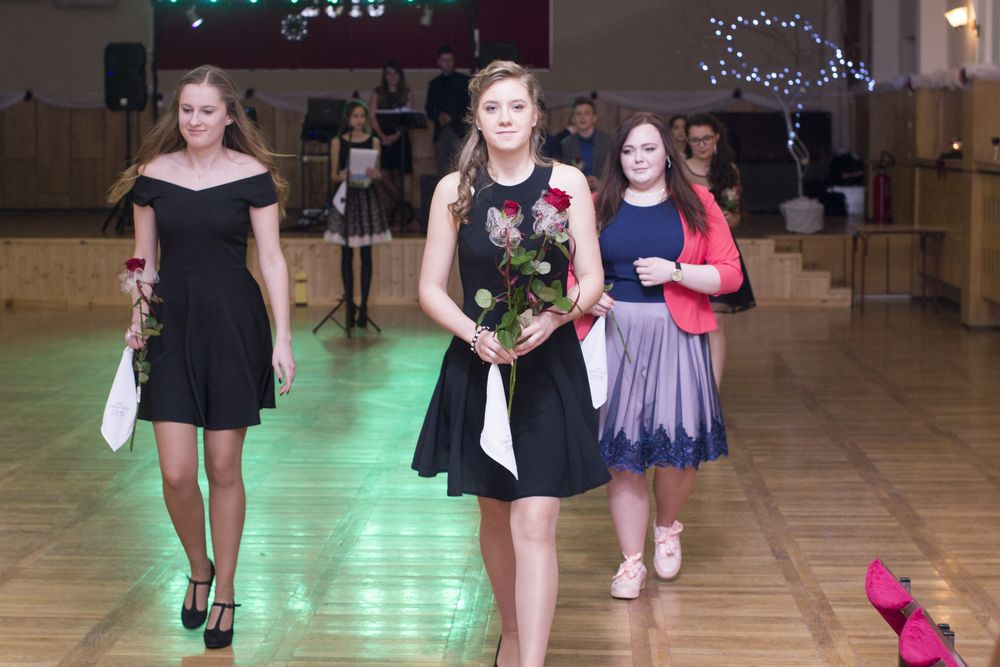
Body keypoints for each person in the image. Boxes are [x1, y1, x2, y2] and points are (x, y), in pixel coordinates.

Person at [412, 61, 609, 667]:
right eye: (492, 107)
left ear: (535, 116)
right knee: (496, 513)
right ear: (476, 117)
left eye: (516, 106)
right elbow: (430, 289)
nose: (505, 118)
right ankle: (515, 633)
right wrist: (475, 336)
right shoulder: (455, 191)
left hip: (549, 370)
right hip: (480, 366)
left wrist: (554, 318)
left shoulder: (567, 183)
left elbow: (592, 277)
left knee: (536, 519)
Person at [107, 65, 295, 649]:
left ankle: (227, 590)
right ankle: (198, 565)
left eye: (207, 110)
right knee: (176, 472)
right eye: (186, 109)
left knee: (222, 468)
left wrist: (284, 338)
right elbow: (143, 261)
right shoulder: (152, 176)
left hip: (233, 326)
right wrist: (137, 318)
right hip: (171, 326)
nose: (194, 120)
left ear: (229, 116)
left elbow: (271, 260)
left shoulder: (253, 176)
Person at [588, 112, 740, 599]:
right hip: (617, 336)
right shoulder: (598, 205)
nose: (639, 159)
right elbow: (570, 269)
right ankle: (631, 562)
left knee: (677, 450)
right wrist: (586, 295)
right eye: (629, 151)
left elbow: (729, 274)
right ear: (618, 158)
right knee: (624, 455)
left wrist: (676, 272)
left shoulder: (698, 202)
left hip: (678, 333)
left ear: (668, 154)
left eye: (649, 148)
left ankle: (667, 527)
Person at [684, 113, 756, 386]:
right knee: (689, 320)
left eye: (706, 139)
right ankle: (690, 385)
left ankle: (712, 390)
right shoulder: (679, 168)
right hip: (689, 249)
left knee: (716, 321)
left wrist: (726, 219)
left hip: (719, 251)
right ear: (688, 141)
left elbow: (736, 215)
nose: (701, 145)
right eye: (695, 140)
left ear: (716, 138)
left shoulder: (729, 170)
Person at [324, 99, 391, 329]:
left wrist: (374, 174)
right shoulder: (338, 142)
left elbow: (378, 174)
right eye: (355, 116)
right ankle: (349, 307)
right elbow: (333, 175)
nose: (359, 120)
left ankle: (364, 309)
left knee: (366, 255)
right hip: (347, 199)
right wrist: (343, 174)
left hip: (366, 199)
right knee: (346, 255)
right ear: (348, 119)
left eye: (362, 116)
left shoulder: (374, 141)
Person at [369, 61, 415, 230]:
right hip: (381, 138)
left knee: (398, 178)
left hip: (400, 139)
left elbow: (408, 118)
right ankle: (406, 208)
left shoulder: (407, 93)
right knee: (383, 176)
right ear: (384, 76)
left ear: (400, 76)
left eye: (395, 73)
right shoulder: (378, 92)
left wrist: (394, 137)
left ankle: (395, 220)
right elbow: (372, 116)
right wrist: (382, 136)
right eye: (389, 73)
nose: (392, 77)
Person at [425, 45, 471, 174]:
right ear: (439, 62)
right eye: (444, 60)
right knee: (442, 169)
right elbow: (428, 109)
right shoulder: (434, 84)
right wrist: (438, 117)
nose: (448, 63)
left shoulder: (464, 81)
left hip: (459, 131)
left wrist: (452, 117)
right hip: (440, 132)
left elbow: (469, 107)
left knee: (461, 167)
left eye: (450, 60)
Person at [560, 97, 611, 191]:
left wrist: (601, 184)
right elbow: (563, 175)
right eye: (578, 114)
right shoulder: (566, 144)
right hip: (576, 193)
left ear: (594, 118)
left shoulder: (609, 142)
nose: (582, 117)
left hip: (604, 193)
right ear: (573, 119)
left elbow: (615, 171)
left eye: (586, 113)